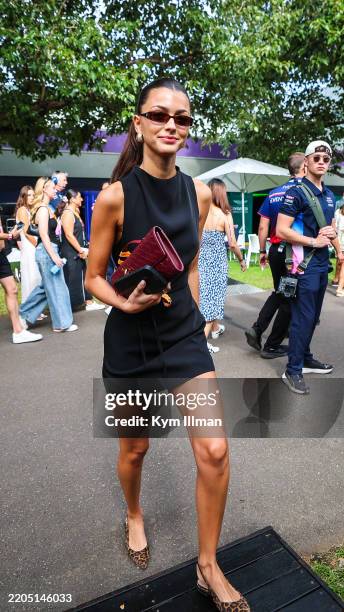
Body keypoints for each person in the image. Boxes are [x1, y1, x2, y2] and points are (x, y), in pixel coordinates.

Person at [86, 78, 250, 611]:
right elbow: (93, 278)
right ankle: (134, 513)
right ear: (139, 124)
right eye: (159, 115)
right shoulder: (113, 198)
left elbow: (194, 260)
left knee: (216, 450)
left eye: (181, 118)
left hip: (181, 336)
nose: (171, 126)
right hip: (130, 342)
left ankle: (208, 564)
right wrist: (123, 302)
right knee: (135, 449)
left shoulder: (199, 193)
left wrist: (201, 312)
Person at [277, 140, 343, 394]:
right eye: (316, 158)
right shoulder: (295, 192)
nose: (322, 162)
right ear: (306, 162)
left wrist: (338, 249)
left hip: (321, 264)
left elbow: (328, 229)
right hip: (302, 265)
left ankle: (304, 357)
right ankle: (292, 370)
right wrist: (313, 241)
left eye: (326, 159)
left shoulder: (328, 195)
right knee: (302, 319)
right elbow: (281, 230)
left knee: (312, 319)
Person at [245, 153, 305, 358]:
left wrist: (262, 251)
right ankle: (272, 344)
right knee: (289, 297)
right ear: (304, 167)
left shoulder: (274, 193)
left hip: (275, 250)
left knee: (280, 292)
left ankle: (258, 328)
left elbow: (263, 226)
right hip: (294, 252)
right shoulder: (304, 192)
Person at [19, 177, 78, 332]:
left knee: (45, 288)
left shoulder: (47, 208)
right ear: (44, 189)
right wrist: (54, 256)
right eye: (52, 187)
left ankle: (23, 315)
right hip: (47, 252)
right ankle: (61, 324)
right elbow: (44, 235)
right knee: (58, 288)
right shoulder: (43, 209)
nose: (55, 190)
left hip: (47, 251)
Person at [199, 178, 246, 354]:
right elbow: (233, 244)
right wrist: (241, 260)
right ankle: (201, 344)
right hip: (217, 263)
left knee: (204, 299)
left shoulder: (200, 212)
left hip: (201, 261)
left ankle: (215, 329)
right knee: (213, 301)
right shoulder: (225, 214)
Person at [60, 189, 105, 311]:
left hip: (78, 250)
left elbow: (79, 233)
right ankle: (75, 305)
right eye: (79, 197)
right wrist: (80, 250)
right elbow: (69, 235)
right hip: (71, 252)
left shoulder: (75, 212)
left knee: (83, 276)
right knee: (74, 278)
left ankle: (88, 301)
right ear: (72, 199)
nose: (82, 199)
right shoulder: (68, 214)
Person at [0, 217, 42, 343]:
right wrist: (9, 235)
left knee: (12, 289)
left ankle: (18, 331)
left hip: (1, 255)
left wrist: (11, 234)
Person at [15, 185, 43, 304]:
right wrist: (37, 244)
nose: (31, 197)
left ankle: (33, 307)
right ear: (23, 197)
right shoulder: (22, 210)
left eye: (33, 195)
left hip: (29, 246)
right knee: (31, 277)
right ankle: (30, 307)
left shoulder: (26, 210)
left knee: (34, 277)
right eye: (29, 195)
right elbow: (26, 232)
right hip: (29, 246)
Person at [334, 203, 344, 296]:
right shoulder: (338, 212)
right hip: (340, 242)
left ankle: (338, 283)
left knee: (341, 263)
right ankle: (340, 288)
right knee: (341, 263)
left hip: (340, 242)